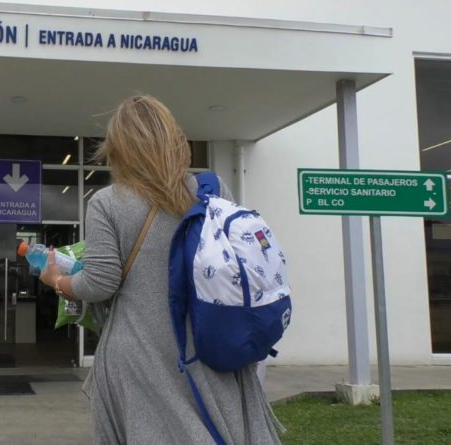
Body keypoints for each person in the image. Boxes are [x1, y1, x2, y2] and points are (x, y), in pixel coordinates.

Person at [39, 96, 281, 444]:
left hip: (141, 353)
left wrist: (59, 281)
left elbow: (100, 283)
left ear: (119, 148)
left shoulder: (108, 202)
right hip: (211, 342)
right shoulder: (210, 190)